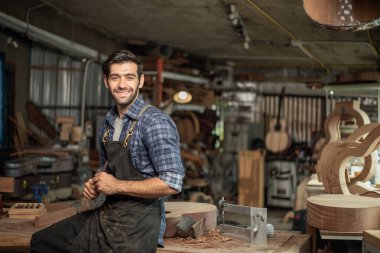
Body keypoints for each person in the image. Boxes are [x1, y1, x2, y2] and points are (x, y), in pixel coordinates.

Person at [31, 49, 184, 253]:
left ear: (141, 81)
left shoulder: (155, 123)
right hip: (108, 215)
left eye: (129, 77)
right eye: (115, 77)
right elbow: (106, 169)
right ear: (106, 81)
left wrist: (117, 186)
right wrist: (95, 183)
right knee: (41, 242)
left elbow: (172, 182)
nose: (122, 84)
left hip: (138, 226)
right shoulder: (108, 123)